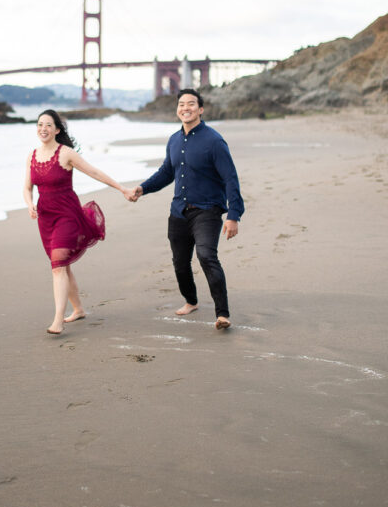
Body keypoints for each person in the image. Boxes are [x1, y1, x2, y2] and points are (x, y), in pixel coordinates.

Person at [130, 88, 244, 330]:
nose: (186, 108)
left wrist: (234, 215)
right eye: (181, 104)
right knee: (180, 262)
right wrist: (143, 188)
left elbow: (230, 178)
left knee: (206, 256)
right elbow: (166, 173)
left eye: (191, 104)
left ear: (200, 109)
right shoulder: (174, 140)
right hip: (179, 211)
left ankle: (222, 314)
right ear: (177, 109)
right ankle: (191, 301)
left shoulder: (214, 141)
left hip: (208, 211)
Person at [24, 109, 137, 335]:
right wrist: (29, 204)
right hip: (46, 217)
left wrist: (122, 188)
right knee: (62, 265)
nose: (43, 129)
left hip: (67, 214)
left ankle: (58, 320)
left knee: (57, 266)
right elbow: (27, 187)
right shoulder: (32, 155)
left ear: (57, 129)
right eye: (39, 125)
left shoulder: (66, 153)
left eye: (48, 125)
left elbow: (94, 172)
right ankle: (78, 309)